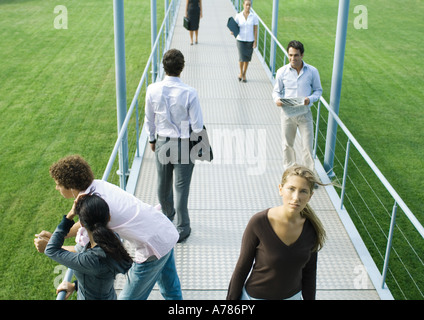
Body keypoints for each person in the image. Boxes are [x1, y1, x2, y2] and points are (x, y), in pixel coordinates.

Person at [34, 155, 183, 300]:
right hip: (163, 230)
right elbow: (86, 223)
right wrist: (57, 235)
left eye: (58, 184)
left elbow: (84, 252)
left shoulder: (89, 201)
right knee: (170, 288)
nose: (56, 188)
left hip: (152, 245)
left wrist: (52, 243)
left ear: (71, 186)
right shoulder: (97, 187)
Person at [227, 165, 326, 300]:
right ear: (281, 189)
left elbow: (310, 273)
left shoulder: (312, 229)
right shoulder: (258, 222)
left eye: (303, 191)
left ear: (310, 196)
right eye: (291, 189)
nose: (296, 197)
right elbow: (242, 268)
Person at [144, 49, 204, 243]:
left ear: (164, 67)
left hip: (162, 142)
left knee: (163, 184)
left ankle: (167, 217)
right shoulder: (190, 93)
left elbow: (149, 119)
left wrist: (152, 140)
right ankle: (182, 227)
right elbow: (196, 125)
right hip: (184, 144)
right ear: (182, 68)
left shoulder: (152, 89)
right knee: (181, 187)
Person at [44, 193, 133, 300]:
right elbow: (100, 276)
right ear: (108, 217)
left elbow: (51, 249)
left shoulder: (91, 259)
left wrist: (69, 216)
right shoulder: (113, 239)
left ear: (81, 224)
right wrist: (75, 286)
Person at [272, 40, 322, 172]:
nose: (292, 58)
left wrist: (309, 99)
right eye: (290, 55)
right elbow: (276, 91)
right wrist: (277, 99)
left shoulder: (312, 71)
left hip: (304, 113)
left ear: (302, 55)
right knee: (287, 145)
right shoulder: (282, 72)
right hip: (287, 114)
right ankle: (289, 172)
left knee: (307, 146)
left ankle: (308, 175)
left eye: (296, 55)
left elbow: (318, 91)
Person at [233, 0, 258, 82]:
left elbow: (255, 30)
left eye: (249, 5)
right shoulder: (238, 16)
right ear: (243, 5)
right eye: (246, 5)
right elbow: (234, 26)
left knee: (247, 58)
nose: (248, 6)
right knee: (241, 58)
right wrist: (232, 31)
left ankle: (244, 73)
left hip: (250, 40)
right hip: (240, 39)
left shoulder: (253, 17)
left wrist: (255, 41)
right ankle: (241, 72)